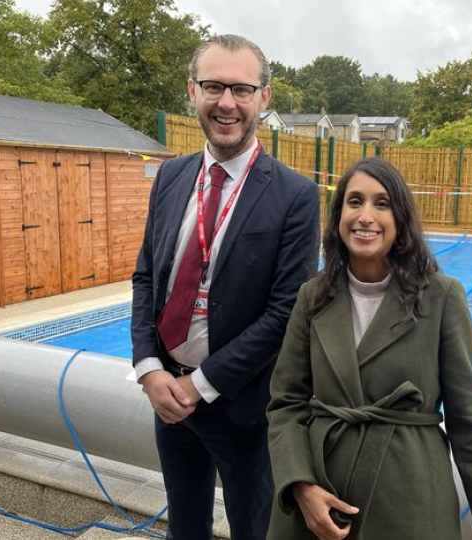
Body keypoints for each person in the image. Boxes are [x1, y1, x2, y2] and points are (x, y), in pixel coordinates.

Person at [266, 158, 472, 540]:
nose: (365, 216)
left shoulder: (441, 298)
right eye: (354, 202)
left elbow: (470, 430)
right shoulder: (313, 297)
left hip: (410, 502)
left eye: (381, 204)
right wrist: (300, 486)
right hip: (321, 499)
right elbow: (285, 403)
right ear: (338, 216)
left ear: (400, 218)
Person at [131, 34, 321, 540]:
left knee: (254, 532)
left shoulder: (295, 195)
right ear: (192, 91)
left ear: (264, 97)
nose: (227, 103)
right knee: (185, 527)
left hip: (244, 410)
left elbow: (287, 314)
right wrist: (150, 368)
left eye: (241, 89)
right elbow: (147, 276)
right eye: (213, 87)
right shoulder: (170, 177)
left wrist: (201, 384)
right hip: (168, 396)